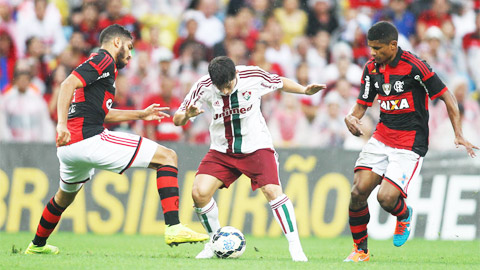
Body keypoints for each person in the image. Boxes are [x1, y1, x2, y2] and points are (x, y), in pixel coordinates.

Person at [24, 24, 208, 255]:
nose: (130, 55)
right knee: (167, 156)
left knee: (63, 198)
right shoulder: (104, 60)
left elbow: (104, 114)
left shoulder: (101, 70)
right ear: (117, 43)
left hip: (70, 148)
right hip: (87, 140)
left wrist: (140, 114)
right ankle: (174, 226)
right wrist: (61, 124)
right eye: (129, 47)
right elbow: (67, 83)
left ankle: (36, 246)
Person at [343, 21, 478, 262]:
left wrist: (458, 132)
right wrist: (352, 117)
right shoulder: (371, 69)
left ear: (393, 46)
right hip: (382, 137)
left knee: (385, 199)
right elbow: (363, 103)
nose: (372, 53)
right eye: (370, 47)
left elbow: (447, 96)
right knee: (357, 192)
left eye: (377, 48)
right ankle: (360, 251)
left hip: (409, 143)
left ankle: (403, 214)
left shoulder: (415, 67)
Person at [173, 56, 326, 261]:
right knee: (199, 193)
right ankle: (214, 241)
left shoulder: (252, 75)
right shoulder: (203, 86)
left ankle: (296, 248)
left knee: (272, 190)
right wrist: (186, 116)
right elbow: (177, 119)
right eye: (221, 89)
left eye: (228, 86)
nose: (225, 92)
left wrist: (304, 90)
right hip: (222, 150)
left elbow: (280, 82)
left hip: (256, 147)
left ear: (235, 75)